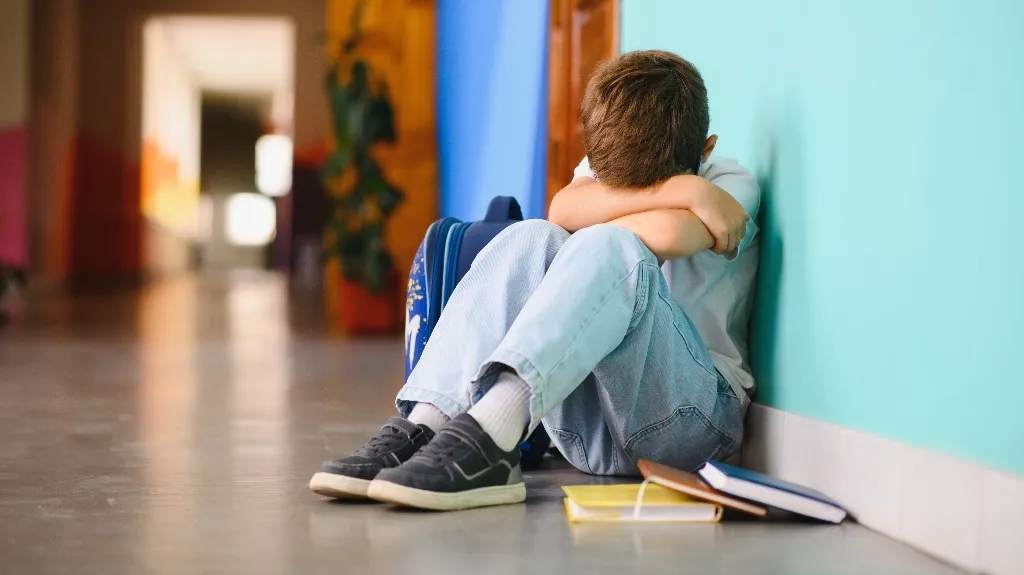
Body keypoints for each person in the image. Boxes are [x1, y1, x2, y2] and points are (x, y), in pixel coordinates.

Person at [310, 49, 760, 511]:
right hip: (590, 434)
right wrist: (684, 189)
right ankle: (429, 423)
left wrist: (686, 189)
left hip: (693, 427)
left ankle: (491, 434)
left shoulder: (730, 182)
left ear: (705, 151)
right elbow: (561, 210)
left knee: (610, 244)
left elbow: (668, 233)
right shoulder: (684, 186)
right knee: (533, 236)